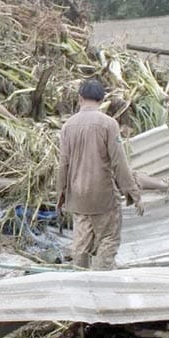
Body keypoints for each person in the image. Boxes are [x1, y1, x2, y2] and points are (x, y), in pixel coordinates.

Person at [56, 79, 143, 270]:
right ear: (102, 100)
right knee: (108, 239)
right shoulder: (109, 124)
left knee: (81, 245)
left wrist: (61, 195)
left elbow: (63, 164)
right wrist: (133, 192)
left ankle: (80, 278)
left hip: (78, 197)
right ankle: (102, 278)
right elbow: (119, 162)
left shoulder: (68, 126)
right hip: (103, 196)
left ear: (80, 98)